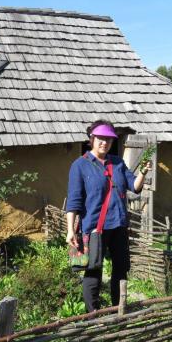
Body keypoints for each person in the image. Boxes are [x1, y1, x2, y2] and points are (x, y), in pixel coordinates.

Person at [65, 119, 152, 312]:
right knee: (93, 271)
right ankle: (93, 315)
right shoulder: (80, 166)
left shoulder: (118, 163)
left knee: (121, 269)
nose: (105, 142)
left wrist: (143, 173)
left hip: (119, 225)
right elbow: (73, 201)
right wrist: (71, 230)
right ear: (92, 139)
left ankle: (118, 308)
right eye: (101, 138)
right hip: (95, 227)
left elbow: (135, 186)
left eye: (109, 140)